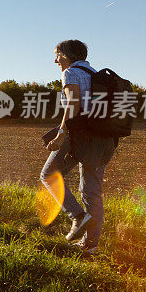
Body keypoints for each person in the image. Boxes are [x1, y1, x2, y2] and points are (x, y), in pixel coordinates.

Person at [41, 39, 116, 255]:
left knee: (48, 175)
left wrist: (61, 134)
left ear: (65, 55)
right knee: (92, 192)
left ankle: (78, 217)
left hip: (78, 135)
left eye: (57, 55)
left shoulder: (71, 73)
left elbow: (72, 104)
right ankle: (90, 245)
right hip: (102, 138)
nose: (56, 60)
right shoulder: (96, 74)